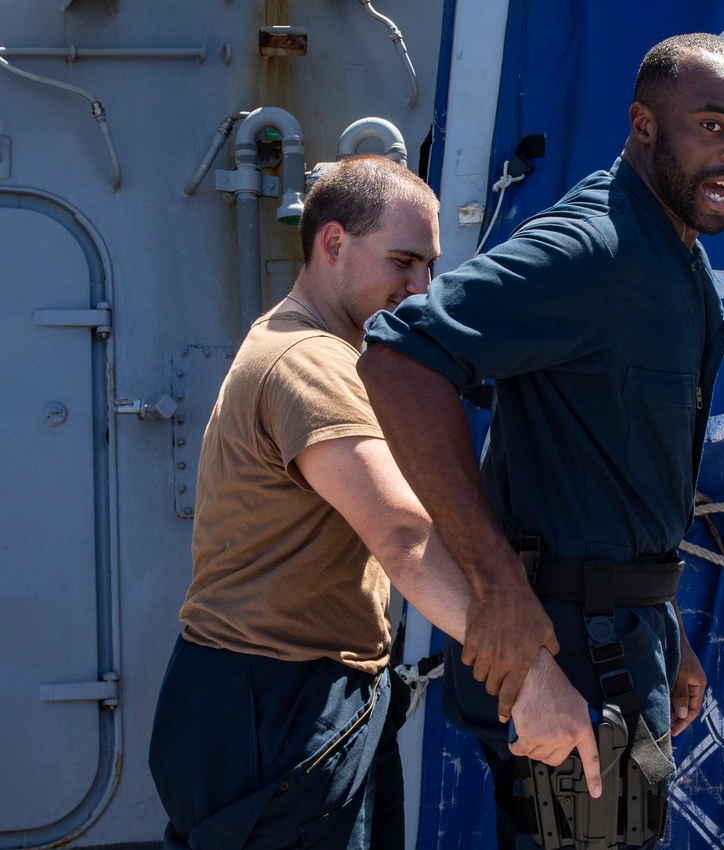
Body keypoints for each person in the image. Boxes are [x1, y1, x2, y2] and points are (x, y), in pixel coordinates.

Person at [357, 33, 724, 850]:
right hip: (566, 655)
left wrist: (670, 629)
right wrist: (495, 582)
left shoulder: (675, 257)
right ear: (643, 124)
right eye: (712, 126)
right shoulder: (591, 247)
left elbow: (613, 470)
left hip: (627, 638)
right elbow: (400, 359)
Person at [147, 154, 599, 850]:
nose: (422, 287)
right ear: (333, 243)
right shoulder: (309, 362)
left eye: (430, 266)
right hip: (270, 701)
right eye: (403, 262)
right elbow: (405, 536)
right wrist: (531, 676)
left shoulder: (332, 348)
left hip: (307, 693)